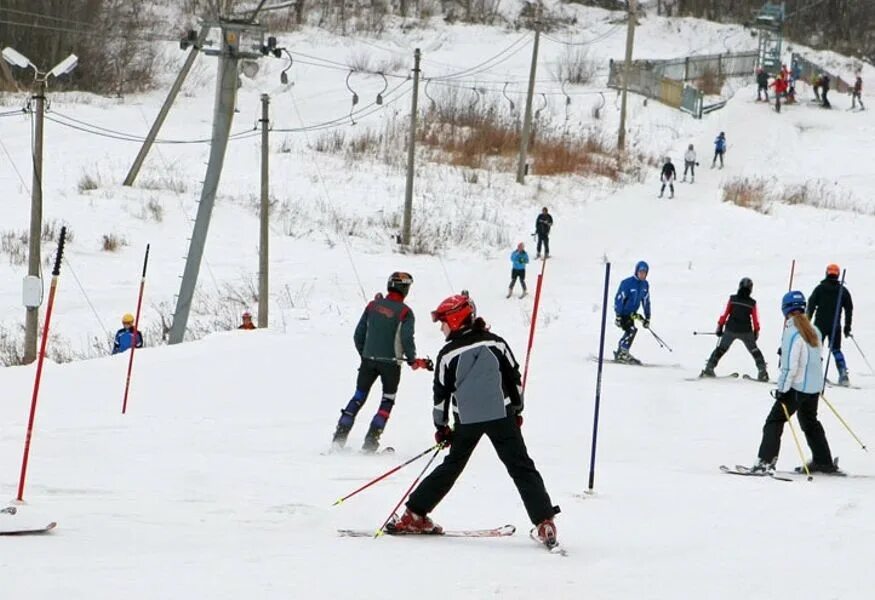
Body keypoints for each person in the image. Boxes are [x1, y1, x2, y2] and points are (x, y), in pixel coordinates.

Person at [388, 293, 560, 549]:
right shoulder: (496, 343)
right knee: (521, 466)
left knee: (452, 466)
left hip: (467, 421)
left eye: (443, 321)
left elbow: (440, 397)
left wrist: (441, 427)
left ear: (456, 319)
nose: (442, 327)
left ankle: (414, 514)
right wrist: (517, 409)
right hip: (501, 416)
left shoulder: (448, 354)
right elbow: (514, 378)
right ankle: (545, 521)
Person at [332, 272, 431, 453]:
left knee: (358, 397)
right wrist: (412, 360)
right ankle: (370, 443)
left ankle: (338, 439)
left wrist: (365, 354)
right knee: (387, 400)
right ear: (405, 289)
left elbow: (358, 335)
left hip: (368, 361)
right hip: (391, 364)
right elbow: (407, 339)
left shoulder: (372, 306)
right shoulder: (405, 312)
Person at [750, 290, 837, 474]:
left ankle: (765, 462)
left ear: (785, 310)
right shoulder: (815, 330)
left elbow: (790, 367)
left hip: (796, 388)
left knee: (774, 421)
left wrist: (782, 389)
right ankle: (823, 461)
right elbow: (816, 360)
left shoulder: (791, 333)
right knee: (810, 422)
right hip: (813, 388)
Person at [700, 278, 769, 381]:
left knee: (721, 349)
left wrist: (720, 325)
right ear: (751, 289)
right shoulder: (752, 303)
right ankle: (762, 372)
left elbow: (725, 313)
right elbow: (755, 318)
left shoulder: (732, 299)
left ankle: (709, 368)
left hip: (730, 329)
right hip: (746, 331)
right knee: (754, 350)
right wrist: (756, 330)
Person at [807, 263, 854, 386]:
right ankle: (843, 374)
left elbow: (811, 305)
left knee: (817, 349)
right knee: (836, 349)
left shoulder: (820, 288)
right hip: (835, 325)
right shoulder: (842, 290)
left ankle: (816, 373)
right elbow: (849, 309)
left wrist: (806, 321)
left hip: (820, 325)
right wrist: (847, 326)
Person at [613, 261, 651, 364]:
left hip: (632, 313)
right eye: (641, 272)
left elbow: (646, 301)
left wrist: (647, 318)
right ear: (636, 271)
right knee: (631, 330)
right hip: (623, 313)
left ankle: (622, 351)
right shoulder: (627, 283)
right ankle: (622, 352)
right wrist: (618, 315)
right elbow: (619, 299)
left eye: (644, 273)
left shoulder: (645, 285)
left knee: (631, 330)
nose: (642, 274)